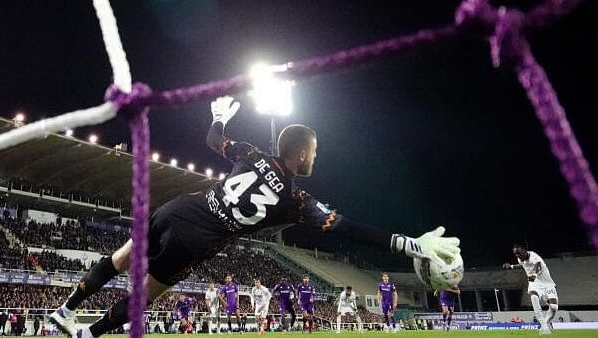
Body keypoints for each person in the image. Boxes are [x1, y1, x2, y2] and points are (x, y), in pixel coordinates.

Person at [49, 96, 460, 338]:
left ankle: (65, 311)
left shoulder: (250, 154)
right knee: (143, 298)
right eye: (314, 152)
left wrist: (219, 115)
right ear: (299, 153)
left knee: (121, 258)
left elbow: (213, 140)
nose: (316, 158)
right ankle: (89, 334)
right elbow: (347, 228)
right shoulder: (297, 201)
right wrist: (407, 243)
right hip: (198, 240)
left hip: (179, 209)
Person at [503, 243, 558, 335]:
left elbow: (538, 266)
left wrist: (534, 275)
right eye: (516, 254)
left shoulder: (534, 257)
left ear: (525, 251)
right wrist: (512, 266)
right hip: (534, 282)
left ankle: (546, 323)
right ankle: (543, 326)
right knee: (533, 296)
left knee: (554, 308)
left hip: (547, 283)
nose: (517, 256)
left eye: (519, 253)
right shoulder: (521, 258)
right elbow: (522, 265)